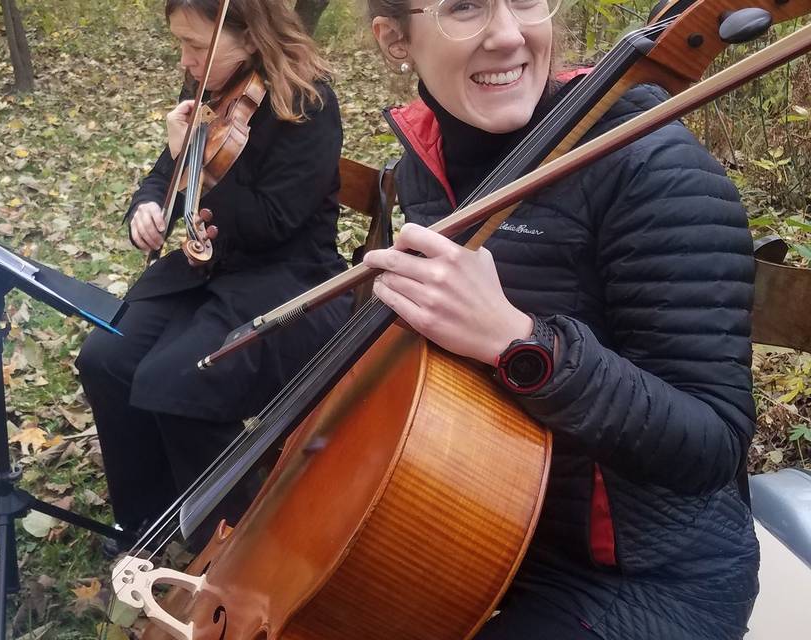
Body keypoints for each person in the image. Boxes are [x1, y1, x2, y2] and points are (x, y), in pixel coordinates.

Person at [361, 1, 759, 639]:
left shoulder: (651, 165)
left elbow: (712, 443)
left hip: (641, 577)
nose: (509, 34)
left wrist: (518, 344)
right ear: (394, 39)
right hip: (466, 526)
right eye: (464, 7)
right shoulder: (422, 162)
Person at [76, 0, 349, 550]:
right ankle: (148, 519)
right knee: (105, 357)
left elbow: (274, 224)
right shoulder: (206, 89)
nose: (186, 60)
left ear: (249, 37)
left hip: (290, 280)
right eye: (180, 44)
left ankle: (227, 540)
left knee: (178, 379)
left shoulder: (308, 102)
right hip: (209, 267)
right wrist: (147, 208)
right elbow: (163, 173)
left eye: (197, 46)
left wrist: (198, 163)